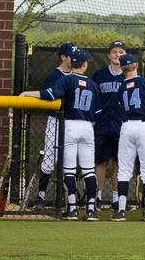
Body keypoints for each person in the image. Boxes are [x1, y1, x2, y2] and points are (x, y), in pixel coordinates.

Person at [20, 49, 100, 220]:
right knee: (88, 170)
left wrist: (28, 93)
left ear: (72, 64)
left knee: (69, 170)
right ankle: (91, 209)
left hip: (70, 125)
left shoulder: (67, 79)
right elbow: (98, 112)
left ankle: (72, 209)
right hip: (87, 127)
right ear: (84, 65)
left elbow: (49, 94)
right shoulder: (93, 84)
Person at [112, 54, 145, 222]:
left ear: (121, 68)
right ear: (136, 65)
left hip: (127, 125)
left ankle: (121, 211)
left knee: (124, 169)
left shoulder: (121, 87)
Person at [25, 42, 76, 209]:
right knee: (49, 159)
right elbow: (48, 96)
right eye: (71, 56)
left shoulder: (78, 75)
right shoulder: (54, 75)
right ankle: (41, 198)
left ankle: (70, 202)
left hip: (73, 122)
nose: (74, 59)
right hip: (55, 121)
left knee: (70, 161)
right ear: (63, 57)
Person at [92, 39, 127, 211]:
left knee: (119, 162)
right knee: (100, 162)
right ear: (108, 55)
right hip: (102, 125)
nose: (117, 55)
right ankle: (96, 197)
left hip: (122, 126)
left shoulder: (129, 75)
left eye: (121, 52)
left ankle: (115, 198)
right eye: (114, 52)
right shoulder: (99, 75)